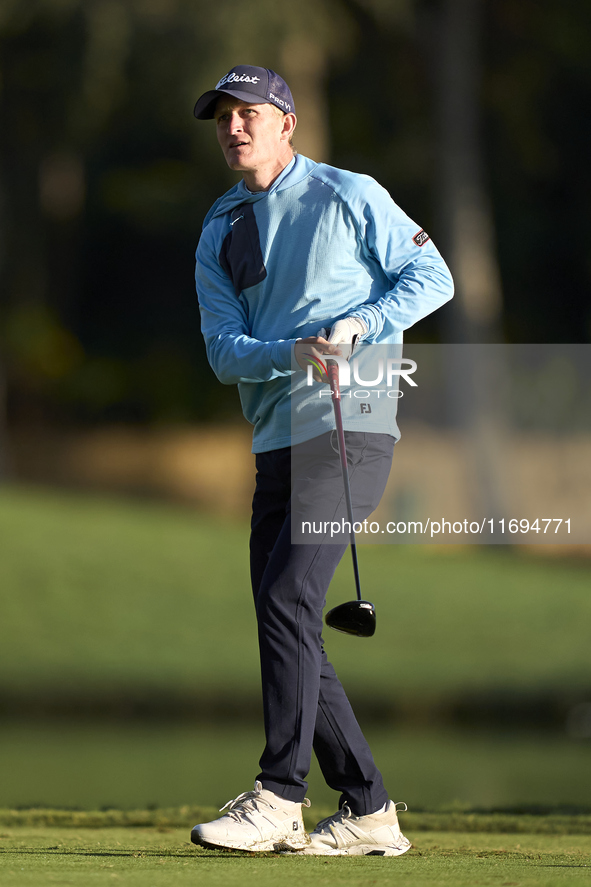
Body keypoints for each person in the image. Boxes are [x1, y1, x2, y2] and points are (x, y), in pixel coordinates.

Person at [190, 65, 453, 856]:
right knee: (289, 612)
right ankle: (370, 809)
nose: (234, 127)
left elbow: (431, 276)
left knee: (287, 599)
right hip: (274, 443)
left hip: (352, 426)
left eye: (250, 113)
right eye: (223, 117)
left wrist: (363, 323)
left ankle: (278, 796)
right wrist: (294, 353)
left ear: (287, 124)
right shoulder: (220, 227)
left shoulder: (349, 192)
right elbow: (224, 355)